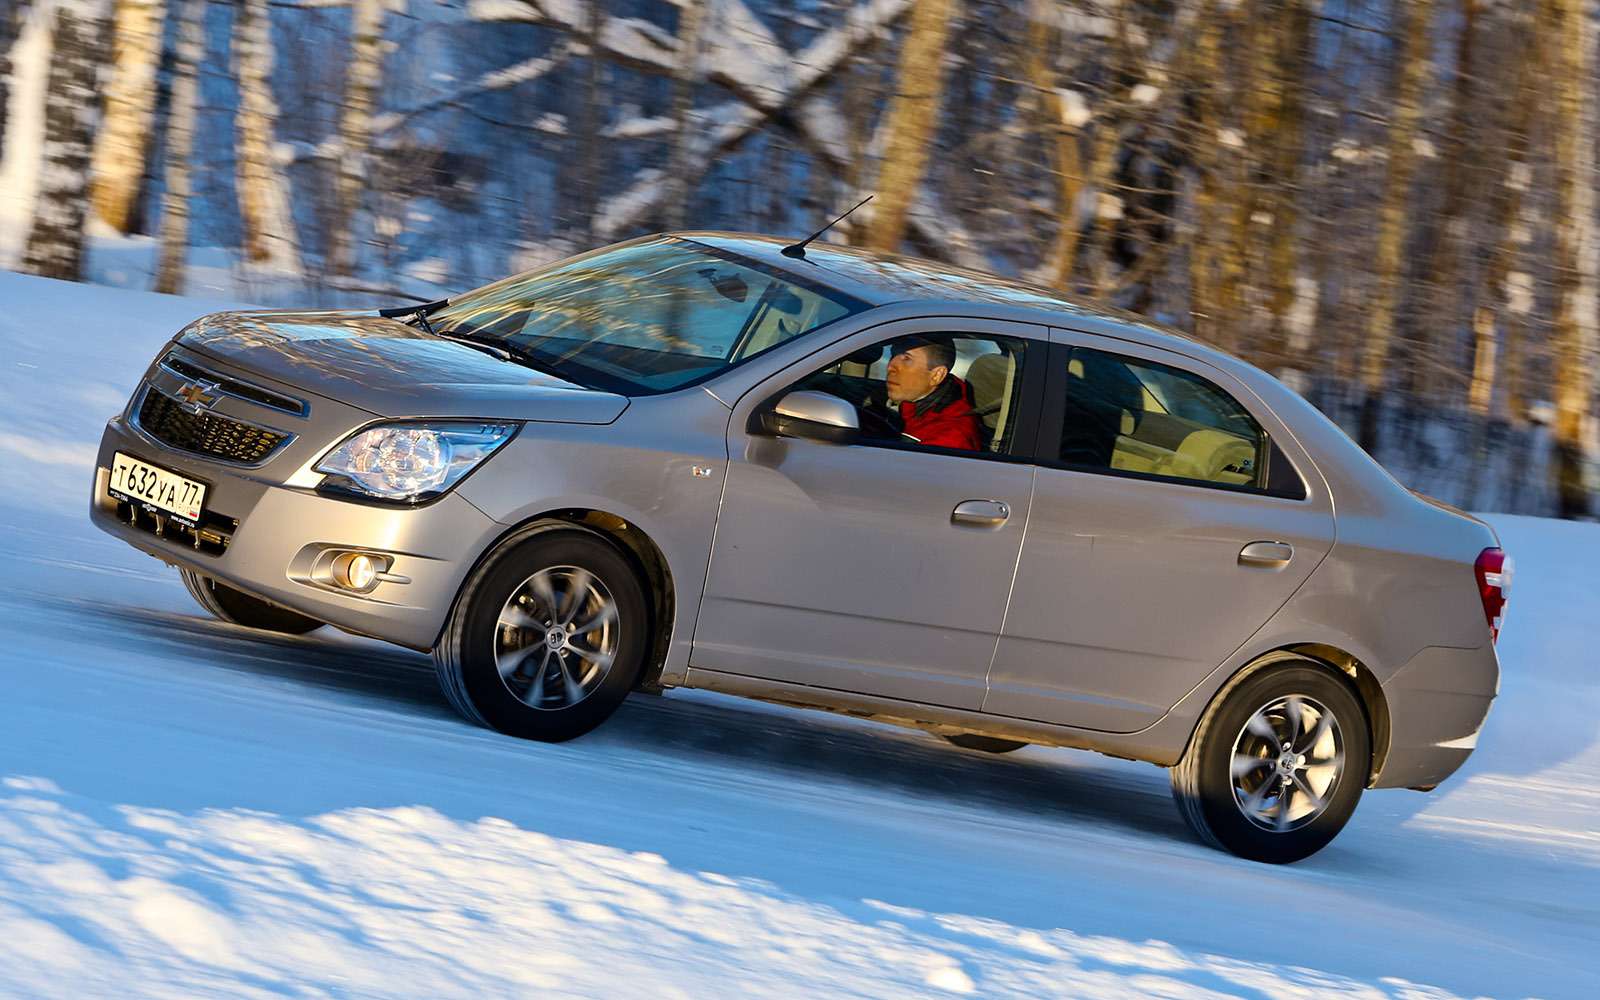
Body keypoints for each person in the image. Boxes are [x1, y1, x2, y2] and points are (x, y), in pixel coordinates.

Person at [882, 336, 984, 451]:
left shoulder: (950, 439)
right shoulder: (908, 404)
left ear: (937, 376)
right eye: (893, 355)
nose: (890, 366)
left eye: (906, 358)